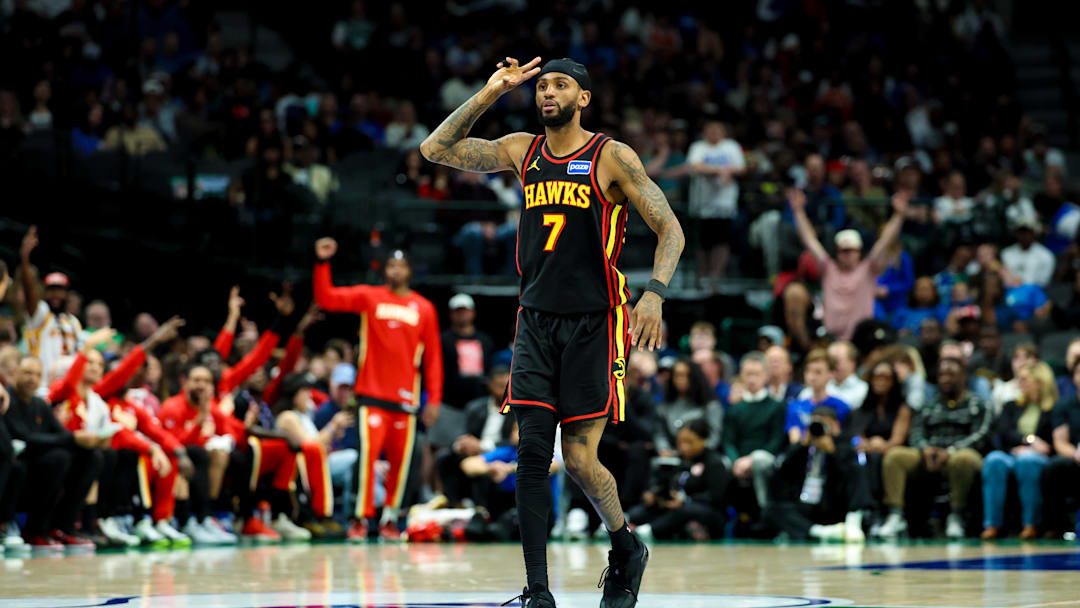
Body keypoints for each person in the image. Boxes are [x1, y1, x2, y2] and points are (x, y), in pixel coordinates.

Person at [421, 55, 685, 607]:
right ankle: (538, 591)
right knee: (532, 454)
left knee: (582, 460)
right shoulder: (523, 150)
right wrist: (490, 92)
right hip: (535, 320)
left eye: (560, 85)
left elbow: (671, 229)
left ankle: (625, 545)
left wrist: (655, 293)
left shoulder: (611, 155)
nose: (547, 92)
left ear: (582, 98)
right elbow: (435, 150)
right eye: (541, 85)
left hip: (596, 321)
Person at [313, 244, 443, 541]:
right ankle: (360, 519)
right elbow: (326, 297)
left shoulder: (424, 308)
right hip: (371, 397)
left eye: (401, 266)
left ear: (409, 271)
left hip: (405, 400)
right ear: (384, 270)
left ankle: (390, 519)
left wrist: (434, 398)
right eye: (391, 266)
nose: (396, 271)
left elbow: (433, 358)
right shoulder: (369, 297)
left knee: (400, 464)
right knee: (367, 460)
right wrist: (322, 263)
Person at [878, 357, 991, 539]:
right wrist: (925, 449)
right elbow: (916, 433)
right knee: (895, 456)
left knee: (963, 458)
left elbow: (981, 435)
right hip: (929, 456)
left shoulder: (977, 403)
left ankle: (957, 515)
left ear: (963, 377)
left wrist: (951, 451)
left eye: (951, 375)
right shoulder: (930, 404)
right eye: (942, 375)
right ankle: (895, 515)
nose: (945, 379)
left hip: (961, 456)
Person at [4, 354, 102, 549]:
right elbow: (25, 437)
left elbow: (61, 434)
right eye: (27, 373)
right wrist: (73, 438)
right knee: (59, 458)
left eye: (37, 375)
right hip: (18, 465)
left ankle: (64, 527)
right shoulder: (7, 400)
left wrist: (85, 439)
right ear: (14, 373)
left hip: (41, 465)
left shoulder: (40, 404)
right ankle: (35, 530)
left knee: (92, 456)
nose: (32, 379)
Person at [789, 188, 909, 341]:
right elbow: (809, 241)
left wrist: (899, 215)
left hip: (861, 340)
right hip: (831, 339)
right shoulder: (828, 268)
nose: (848, 255)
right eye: (843, 251)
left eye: (852, 250)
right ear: (837, 253)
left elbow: (885, 242)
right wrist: (798, 211)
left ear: (859, 252)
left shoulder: (868, 269)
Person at [763, 406, 872, 542]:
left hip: (832, 504)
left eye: (824, 424)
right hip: (804, 504)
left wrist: (832, 451)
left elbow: (849, 476)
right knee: (771, 510)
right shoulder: (802, 448)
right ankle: (820, 532)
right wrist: (802, 445)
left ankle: (853, 522)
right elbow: (783, 471)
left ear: (835, 426)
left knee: (857, 469)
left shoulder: (843, 446)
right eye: (815, 424)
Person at [981, 362, 1056, 540]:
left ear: (1039, 382)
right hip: (1012, 452)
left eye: (1024, 379)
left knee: (1027, 461)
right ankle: (992, 524)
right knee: (994, 459)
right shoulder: (1011, 406)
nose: (1019, 384)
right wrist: (1028, 440)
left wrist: (1032, 449)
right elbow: (1003, 431)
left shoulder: (1052, 409)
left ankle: (1031, 524)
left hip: (1040, 457)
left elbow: (1051, 441)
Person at [627, 418, 729, 540]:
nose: (684, 447)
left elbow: (715, 496)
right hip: (673, 508)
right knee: (637, 513)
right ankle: (623, 529)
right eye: (680, 442)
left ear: (703, 440)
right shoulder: (675, 460)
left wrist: (685, 500)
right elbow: (661, 483)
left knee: (683, 511)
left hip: (705, 510)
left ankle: (645, 532)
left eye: (689, 442)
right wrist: (653, 494)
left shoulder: (714, 462)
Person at [669, 120, 746, 279]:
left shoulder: (731, 146)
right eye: (711, 130)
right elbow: (694, 166)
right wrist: (721, 171)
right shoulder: (698, 147)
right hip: (702, 203)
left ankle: (715, 276)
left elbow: (741, 168)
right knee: (702, 242)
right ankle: (703, 276)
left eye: (718, 130)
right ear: (704, 133)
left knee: (722, 241)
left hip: (724, 203)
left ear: (724, 132)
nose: (714, 133)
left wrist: (717, 170)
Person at [844, 361, 912, 531]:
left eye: (885, 377)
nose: (880, 381)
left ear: (893, 381)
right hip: (867, 454)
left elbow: (898, 440)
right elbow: (855, 436)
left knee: (876, 459)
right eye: (876, 377)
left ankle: (881, 512)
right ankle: (864, 511)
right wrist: (866, 443)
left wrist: (882, 445)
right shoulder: (863, 409)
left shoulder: (902, 408)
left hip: (891, 453)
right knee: (859, 460)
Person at [437, 363, 515, 508]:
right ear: (489, 385)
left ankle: (482, 509)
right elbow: (461, 433)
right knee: (444, 457)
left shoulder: (516, 410)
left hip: (500, 453)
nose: (503, 390)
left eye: (506, 386)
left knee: (486, 464)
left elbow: (514, 440)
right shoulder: (475, 407)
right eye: (499, 385)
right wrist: (461, 445)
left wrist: (483, 446)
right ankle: (455, 504)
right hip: (472, 451)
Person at [18, 226, 83, 390]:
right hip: (42, 387)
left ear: (67, 294)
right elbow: (29, 290)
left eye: (60, 290)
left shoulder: (74, 322)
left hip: (67, 389)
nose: (56, 295)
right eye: (51, 290)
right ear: (45, 293)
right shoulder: (41, 314)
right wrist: (24, 259)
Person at [722, 352, 786, 509]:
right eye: (748, 374)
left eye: (757, 374)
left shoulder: (777, 407)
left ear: (766, 376)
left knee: (760, 460)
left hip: (764, 459)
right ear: (741, 375)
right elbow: (728, 441)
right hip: (738, 460)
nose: (752, 379)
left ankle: (765, 509)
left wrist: (750, 460)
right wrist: (736, 461)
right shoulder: (734, 409)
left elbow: (776, 440)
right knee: (719, 464)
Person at [1042, 360, 1080, 538]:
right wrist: (1076, 453)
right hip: (1074, 458)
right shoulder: (1064, 406)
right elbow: (1060, 442)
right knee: (1054, 467)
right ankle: (1056, 526)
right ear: (1073, 378)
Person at [655, 358, 723, 454]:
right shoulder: (664, 405)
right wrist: (664, 449)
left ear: (695, 377)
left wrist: (696, 450)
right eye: (677, 375)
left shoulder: (710, 405)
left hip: (702, 454)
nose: (680, 380)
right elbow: (659, 434)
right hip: (672, 455)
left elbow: (714, 438)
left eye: (685, 375)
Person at [787, 349, 851, 444]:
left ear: (831, 374)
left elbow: (843, 440)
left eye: (818, 372)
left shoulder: (841, 407)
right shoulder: (795, 407)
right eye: (808, 371)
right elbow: (794, 439)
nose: (811, 377)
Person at [1000, 219, 1054, 287]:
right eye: (1021, 232)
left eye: (1028, 232)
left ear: (1034, 233)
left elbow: (1044, 281)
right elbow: (1003, 277)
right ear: (1016, 233)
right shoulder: (1006, 253)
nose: (1024, 236)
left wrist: (1023, 285)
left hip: (1035, 290)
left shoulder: (1046, 255)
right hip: (1010, 289)